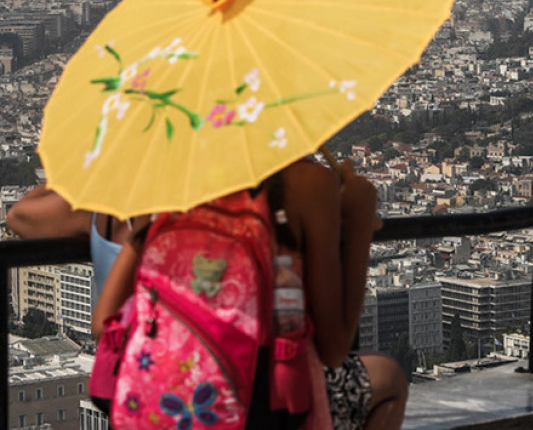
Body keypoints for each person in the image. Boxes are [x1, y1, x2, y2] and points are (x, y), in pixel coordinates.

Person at [93, 158, 408, 430]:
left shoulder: (166, 184)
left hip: (168, 404)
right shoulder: (306, 182)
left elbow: (102, 324)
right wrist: (359, 223)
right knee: (390, 377)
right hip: (266, 405)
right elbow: (335, 348)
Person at [6, 186, 139, 304]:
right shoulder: (154, 215)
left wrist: (75, 174)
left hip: (125, 326)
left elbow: (17, 217)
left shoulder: (96, 208)